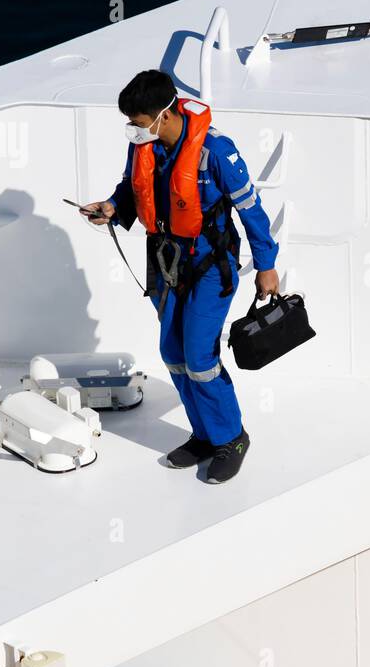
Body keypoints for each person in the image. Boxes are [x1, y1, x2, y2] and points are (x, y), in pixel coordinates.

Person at [80, 70, 279, 483]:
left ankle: (231, 437)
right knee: (173, 354)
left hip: (211, 268)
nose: (133, 131)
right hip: (166, 265)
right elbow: (131, 191)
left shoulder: (217, 151)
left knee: (200, 358)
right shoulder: (145, 147)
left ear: (164, 116)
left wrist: (267, 265)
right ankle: (204, 435)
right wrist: (112, 208)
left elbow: (252, 211)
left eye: (137, 122)